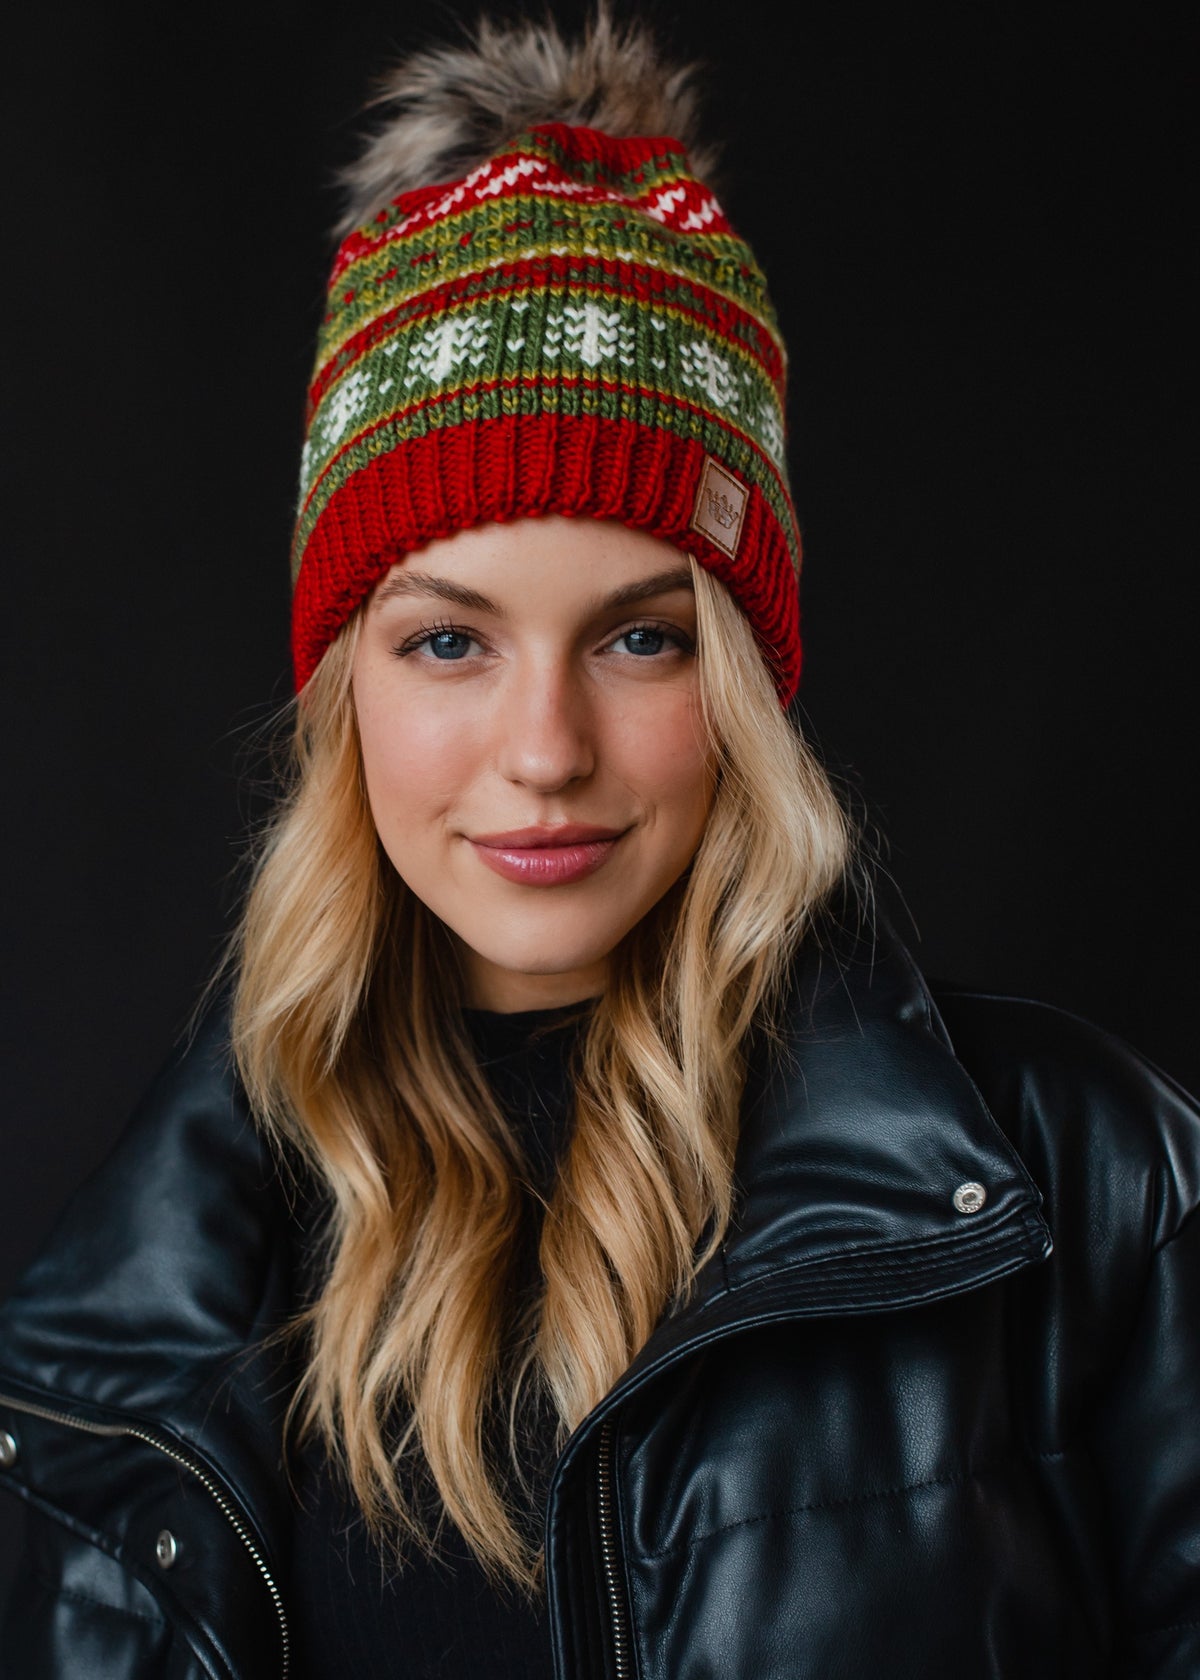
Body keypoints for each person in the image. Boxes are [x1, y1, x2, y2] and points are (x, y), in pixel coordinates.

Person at [0, 9, 1197, 1678]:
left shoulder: (1086, 1185)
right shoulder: (138, 1315)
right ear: (342, 690)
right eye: (448, 642)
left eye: (643, 638)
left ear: (748, 680)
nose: (547, 752)